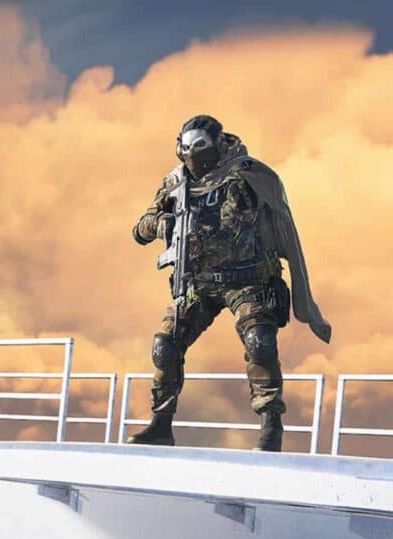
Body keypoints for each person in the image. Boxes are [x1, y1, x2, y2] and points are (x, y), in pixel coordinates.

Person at [127, 115, 331, 451]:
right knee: (165, 345)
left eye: (200, 148)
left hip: (248, 278)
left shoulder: (250, 174)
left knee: (259, 341)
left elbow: (283, 225)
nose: (193, 157)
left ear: (219, 144)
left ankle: (270, 425)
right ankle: (161, 424)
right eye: (186, 149)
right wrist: (161, 223)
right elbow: (140, 229)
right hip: (198, 281)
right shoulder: (177, 182)